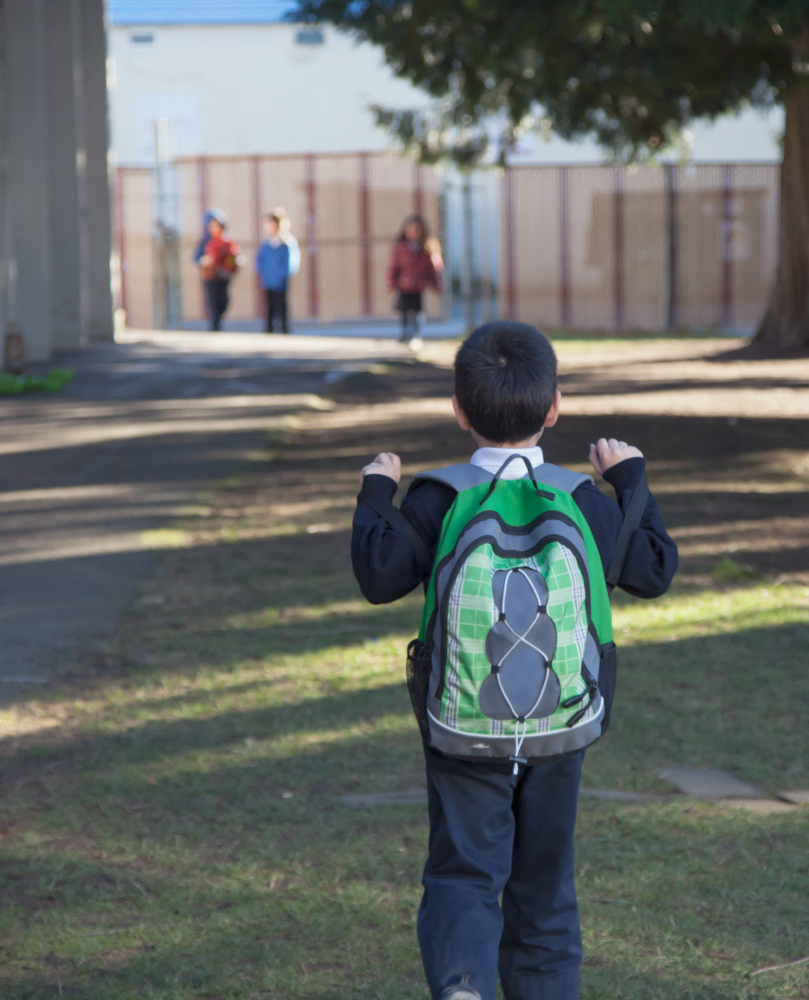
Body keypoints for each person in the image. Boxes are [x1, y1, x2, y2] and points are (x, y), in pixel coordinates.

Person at [351, 322, 678, 1000]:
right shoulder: (584, 499)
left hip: (462, 726)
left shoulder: (438, 498)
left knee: (464, 873)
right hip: (561, 724)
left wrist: (376, 492)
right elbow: (652, 570)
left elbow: (380, 576)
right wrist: (632, 481)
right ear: (553, 406)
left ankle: (464, 986)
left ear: (459, 410)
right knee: (545, 885)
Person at [387, 214, 443, 347]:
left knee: (417, 311)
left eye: (417, 229)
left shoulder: (427, 248)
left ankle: (417, 335)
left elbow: (433, 269)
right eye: (411, 229)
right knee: (404, 310)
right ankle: (405, 333)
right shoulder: (401, 248)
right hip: (404, 285)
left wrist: (436, 284)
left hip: (418, 286)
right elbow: (393, 266)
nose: (414, 232)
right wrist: (391, 282)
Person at [256, 208, 302, 334]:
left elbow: (291, 263)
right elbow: (260, 261)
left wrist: (283, 275)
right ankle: (269, 329)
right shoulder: (266, 243)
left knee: (281, 305)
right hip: (268, 279)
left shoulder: (286, 243)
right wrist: (262, 273)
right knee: (269, 305)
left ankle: (284, 329)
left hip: (280, 281)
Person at [196, 209, 241, 331]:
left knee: (224, 301)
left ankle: (219, 320)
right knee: (213, 302)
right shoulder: (205, 241)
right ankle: (215, 327)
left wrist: (233, 262)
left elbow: (234, 256)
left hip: (223, 275)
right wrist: (204, 260)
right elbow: (197, 257)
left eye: (217, 224)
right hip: (210, 276)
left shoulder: (227, 241)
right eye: (211, 224)